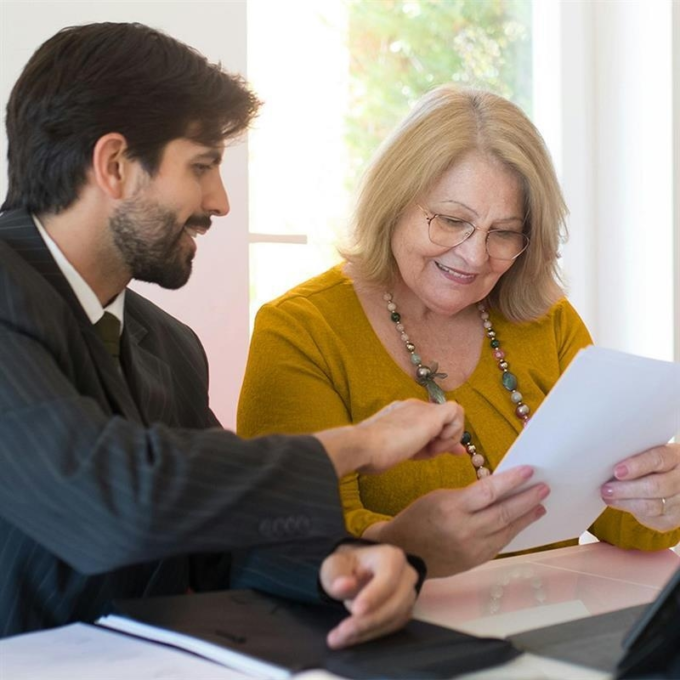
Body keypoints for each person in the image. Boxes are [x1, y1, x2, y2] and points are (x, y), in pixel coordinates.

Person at [0, 22, 471, 646]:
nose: (219, 202)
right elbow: (110, 497)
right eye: (201, 166)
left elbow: (218, 531)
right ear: (114, 165)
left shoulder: (166, 344)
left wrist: (338, 567)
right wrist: (358, 443)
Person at [238, 85, 680, 578]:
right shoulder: (301, 329)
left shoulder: (547, 321)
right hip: (386, 634)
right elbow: (288, 536)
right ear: (393, 203)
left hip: (543, 624)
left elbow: (629, 524)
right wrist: (408, 544)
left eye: (504, 232)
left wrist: (661, 491)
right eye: (451, 220)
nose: (473, 256)